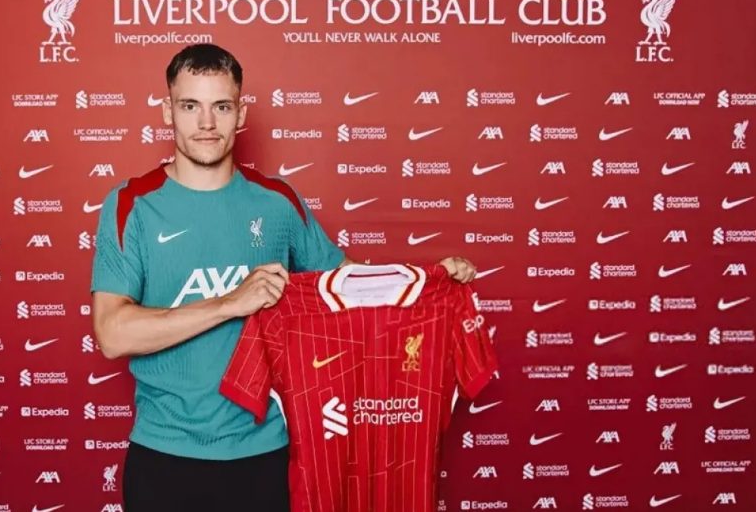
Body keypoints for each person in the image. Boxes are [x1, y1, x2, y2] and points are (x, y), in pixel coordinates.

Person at [89, 43, 478, 512]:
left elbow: (352, 287)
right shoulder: (132, 205)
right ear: (168, 111)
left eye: (221, 106)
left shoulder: (277, 202)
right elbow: (112, 333)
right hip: (165, 454)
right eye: (190, 106)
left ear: (240, 113)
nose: (207, 122)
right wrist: (230, 303)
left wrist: (431, 280)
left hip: (264, 454)